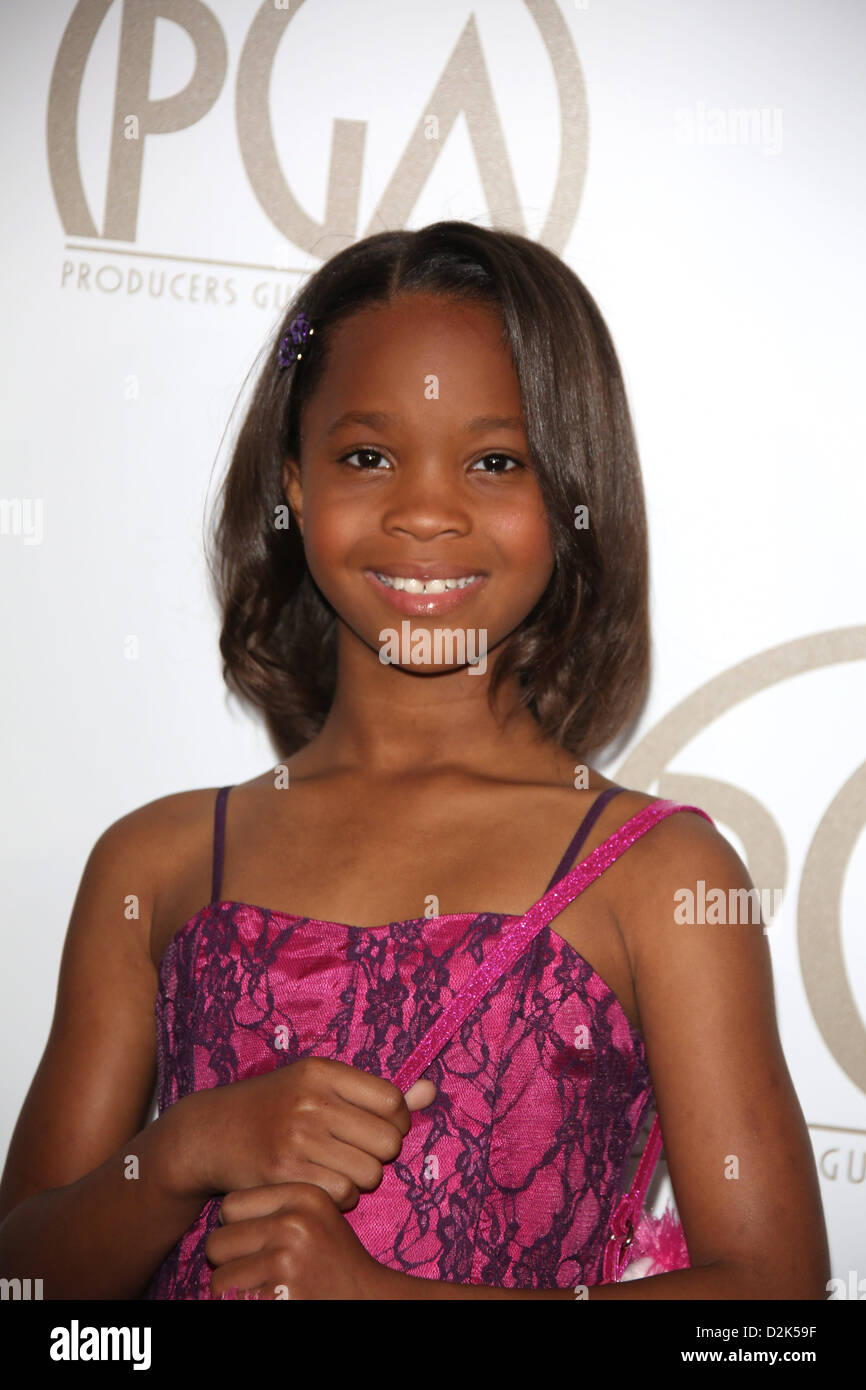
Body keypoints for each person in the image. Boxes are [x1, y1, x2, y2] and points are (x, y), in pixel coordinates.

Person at [0, 222, 828, 1300]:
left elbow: (773, 1306)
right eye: (365, 455)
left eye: (494, 461)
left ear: (569, 499)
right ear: (290, 482)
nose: (426, 510)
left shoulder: (660, 878)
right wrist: (176, 1156)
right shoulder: (153, 863)